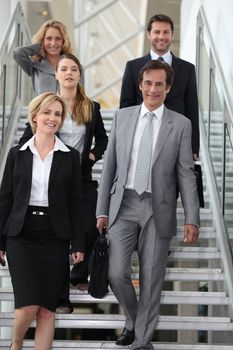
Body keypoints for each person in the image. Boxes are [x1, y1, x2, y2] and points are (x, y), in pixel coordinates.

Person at [96, 60, 200, 350]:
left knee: (152, 278)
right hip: (124, 204)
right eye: (148, 83)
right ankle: (135, 321)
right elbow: (109, 168)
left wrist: (192, 217)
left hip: (158, 207)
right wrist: (101, 210)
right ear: (140, 85)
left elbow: (185, 173)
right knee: (116, 273)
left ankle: (140, 341)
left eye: (159, 84)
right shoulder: (123, 117)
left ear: (168, 88)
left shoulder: (180, 124)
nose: (153, 89)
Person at [19, 53, 108, 311]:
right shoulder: (48, 105)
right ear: (56, 74)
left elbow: (102, 140)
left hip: (80, 176)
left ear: (79, 75)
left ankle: (79, 272)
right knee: (58, 236)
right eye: (64, 69)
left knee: (92, 222)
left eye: (74, 69)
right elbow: (28, 137)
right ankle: (59, 296)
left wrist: (91, 157)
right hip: (51, 178)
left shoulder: (91, 107)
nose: (69, 73)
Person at [0, 92, 84, 350]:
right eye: (47, 112)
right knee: (28, 305)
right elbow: (5, 200)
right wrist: (0, 241)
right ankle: (16, 344)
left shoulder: (70, 156)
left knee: (47, 309)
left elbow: (75, 204)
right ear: (34, 116)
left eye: (57, 114)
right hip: (21, 235)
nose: (52, 118)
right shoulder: (17, 154)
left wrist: (78, 243)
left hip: (55, 237)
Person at [119, 14, 199, 160]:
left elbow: (192, 108)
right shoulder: (133, 67)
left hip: (176, 137)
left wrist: (194, 145)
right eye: (157, 32)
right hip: (142, 134)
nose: (161, 36)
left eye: (166, 32)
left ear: (172, 34)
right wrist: (123, 140)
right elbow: (126, 106)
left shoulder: (187, 69)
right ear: (149, 34)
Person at [13, 20, 80, 96]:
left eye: (58, 39)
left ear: (64, 42)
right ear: (42, 41)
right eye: (49, 38)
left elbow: (80, 96)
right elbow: (17, 53)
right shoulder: (35, 67)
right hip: (41, 108)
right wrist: (37, 48)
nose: (53, 43)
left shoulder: (75, 68)